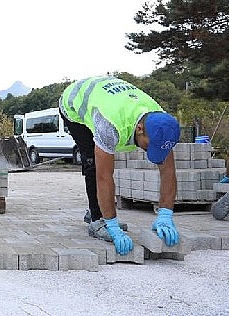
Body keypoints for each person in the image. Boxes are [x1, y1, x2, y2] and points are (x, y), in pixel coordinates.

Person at [59, 76, 181, 255]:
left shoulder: (161, 125)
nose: (150, 151)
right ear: (139, 129)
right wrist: (113, 225)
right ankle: (97, 219)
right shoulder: (110, 125)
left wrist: (165, 214)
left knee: (101, 162)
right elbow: (104, 177)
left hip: (109, 97)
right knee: (93, 161)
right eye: (150, 145)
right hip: (73, 106)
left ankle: (101, 211)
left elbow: (168, 171)